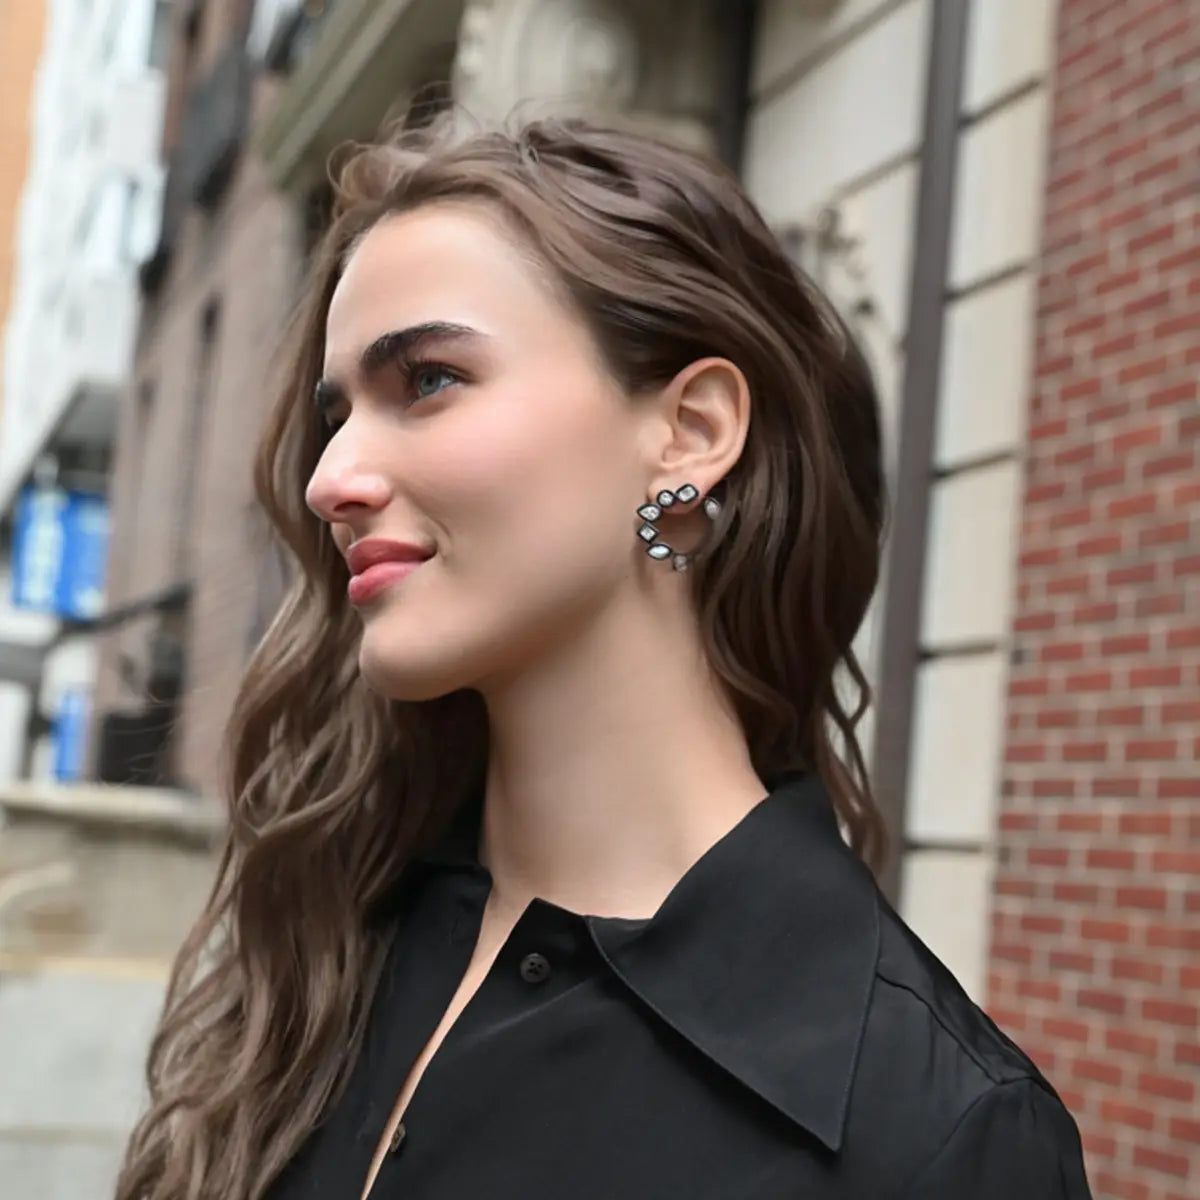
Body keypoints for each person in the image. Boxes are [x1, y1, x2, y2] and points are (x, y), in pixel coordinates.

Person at [115, 116, 1093, 1200]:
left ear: (690, 430)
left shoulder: (938, 1135)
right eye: (337, 413)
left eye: (429, 379)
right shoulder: (324, 946)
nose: (329, 477)